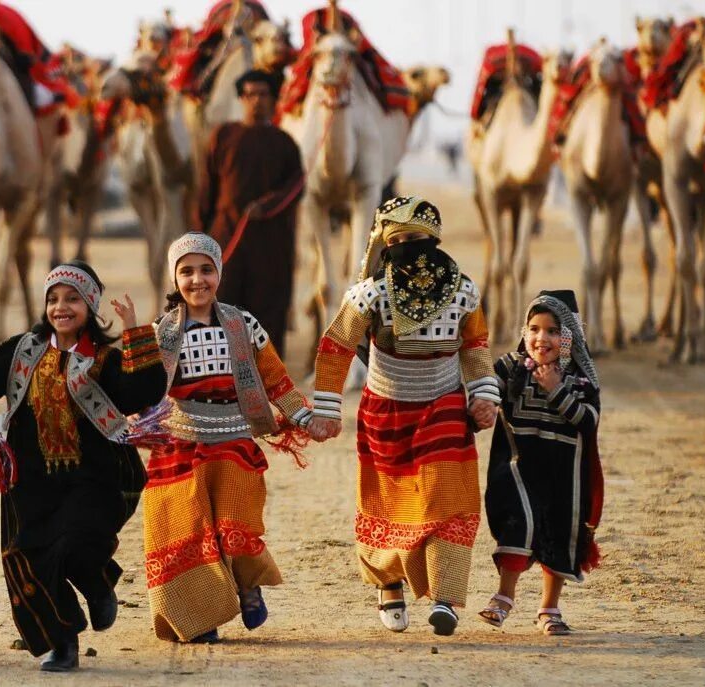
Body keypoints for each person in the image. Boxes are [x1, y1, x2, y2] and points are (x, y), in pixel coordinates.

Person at [0, 261, 166, 672]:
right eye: (53, 299)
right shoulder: (20, 351)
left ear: (91, 307)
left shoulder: (103, 360)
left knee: (76, 543)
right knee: (27, 559)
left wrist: (135, 332)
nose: (61, 307)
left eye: (72, 299)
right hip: (30, 481)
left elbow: (142, 394)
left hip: (94, 477)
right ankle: (61, 644)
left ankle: (97, 583)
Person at [310, 196, 500, 636]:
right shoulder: (370, 293)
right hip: (385, 412)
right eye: (400, 241)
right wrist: (326, 408)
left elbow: (474, 348)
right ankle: (388, 584)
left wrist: (483, 395)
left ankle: (446, 598)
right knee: (387, 502)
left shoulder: (465, 291)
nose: (410, 249)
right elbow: (336, 346)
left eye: (418, 240)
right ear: (385, 244)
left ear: (434, 239)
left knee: (449, 499)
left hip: (443, 405)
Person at [143, 231, 317, 644]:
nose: (197, 280)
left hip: (234, 440)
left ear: (219, 274)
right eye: (186, 272)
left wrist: (307, 418)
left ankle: (247, 585)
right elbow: (138, 388)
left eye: (206, 270)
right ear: (174, 279)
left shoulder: (244, 323)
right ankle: (199, 619)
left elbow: (276, 380)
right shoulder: (160, 332)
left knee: (234, 524)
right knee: (184, 530)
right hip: (179, 443)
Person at [479, 290, 603, 636]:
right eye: (533, 328)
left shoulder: (581, 381)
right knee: (517, 523)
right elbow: (486, 392)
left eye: (552, 331)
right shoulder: (510, 368)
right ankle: (504, 597)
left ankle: (549, 608)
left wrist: (556, 390)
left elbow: (588, 422)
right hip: (517, 470)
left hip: (564, 476)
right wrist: (481, 408)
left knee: (559, 534)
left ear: (568, 338)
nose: (540, 338)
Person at [195, 69, 303, 356]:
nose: (257, 100)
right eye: (250, 95)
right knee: (221, 306)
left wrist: (267, 206)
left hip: (270, 243)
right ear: (242, 99)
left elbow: (296, 187)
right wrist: (199, 238)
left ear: (274, 99)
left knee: (268, 308)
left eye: (263, 94)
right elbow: (208, 188)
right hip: (226, 236)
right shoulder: (223, 135)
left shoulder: (285, 143)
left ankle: (269, 382)